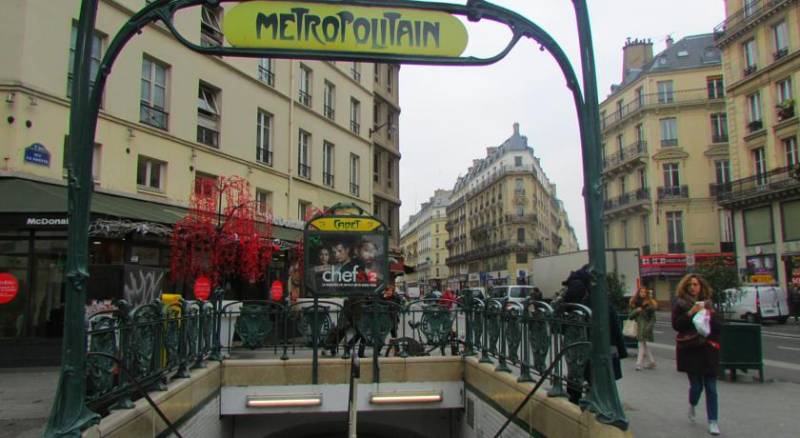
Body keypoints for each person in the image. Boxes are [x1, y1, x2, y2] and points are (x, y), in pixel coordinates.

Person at [671, 273, 722, 436]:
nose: (693, 288)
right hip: (691, 349)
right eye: (690, 285)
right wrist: (691, 312)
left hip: (707, 349)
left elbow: (718, 326)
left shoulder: (709, 304)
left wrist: (710, 315)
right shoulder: (681, 304)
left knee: (711, 387)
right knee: (697, 386)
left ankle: (713, 421)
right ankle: (692, 404)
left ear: (701, 287)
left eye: (696, 284)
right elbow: (677, 325)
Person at [629, 287, 657, 370]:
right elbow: (630, 316)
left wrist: (649, 327)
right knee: (644, 345)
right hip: (638, 326)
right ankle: (652, 362)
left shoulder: (650, 305)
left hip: (645, 328)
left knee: (641, 345)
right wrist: (636, 311)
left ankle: (638, 364)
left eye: (645, 292)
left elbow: (653, 319)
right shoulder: (634, 303)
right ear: (638, 293)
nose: (643, 294)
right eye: (641, 292)